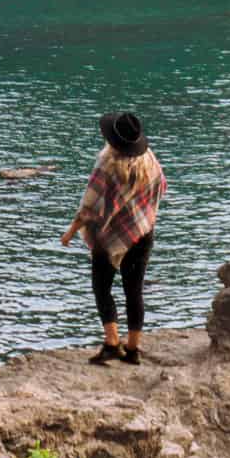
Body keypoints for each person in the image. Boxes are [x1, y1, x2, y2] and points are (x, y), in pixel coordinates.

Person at [61, 110, 167, 365]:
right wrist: (142, 213)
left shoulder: (106, 165)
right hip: (142, 231)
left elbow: (89, 207)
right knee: (134, 290)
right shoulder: (149, 159)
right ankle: (133, 349)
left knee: (102, 287)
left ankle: (111, 342)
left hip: (107, 237)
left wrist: (70, 232)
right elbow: (161, 187)